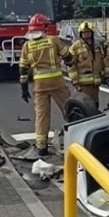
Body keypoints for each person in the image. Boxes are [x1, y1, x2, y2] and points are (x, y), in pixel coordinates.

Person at [19, 13, 73, 157]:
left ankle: (42, 146)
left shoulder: (27, 45)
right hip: (56, 82)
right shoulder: (52, 40)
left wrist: (24, 88)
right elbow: (68, 56)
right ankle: (76, 139)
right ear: (45, 27)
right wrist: (70, 63)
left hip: (40, 85)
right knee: (68, 110)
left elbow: (23, 69)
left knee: (41, 116)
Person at [68, 21, 105, 106]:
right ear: (81, 34)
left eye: (88, 32)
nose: (86, 34)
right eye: (84, 32)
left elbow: (102, 61)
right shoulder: (75, 46)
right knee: (85, 106)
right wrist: (75, 81)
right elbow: (70, 65)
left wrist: (103, 74)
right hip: (83, 85)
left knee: (95, 105)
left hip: (95, 83)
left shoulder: (97, 45)